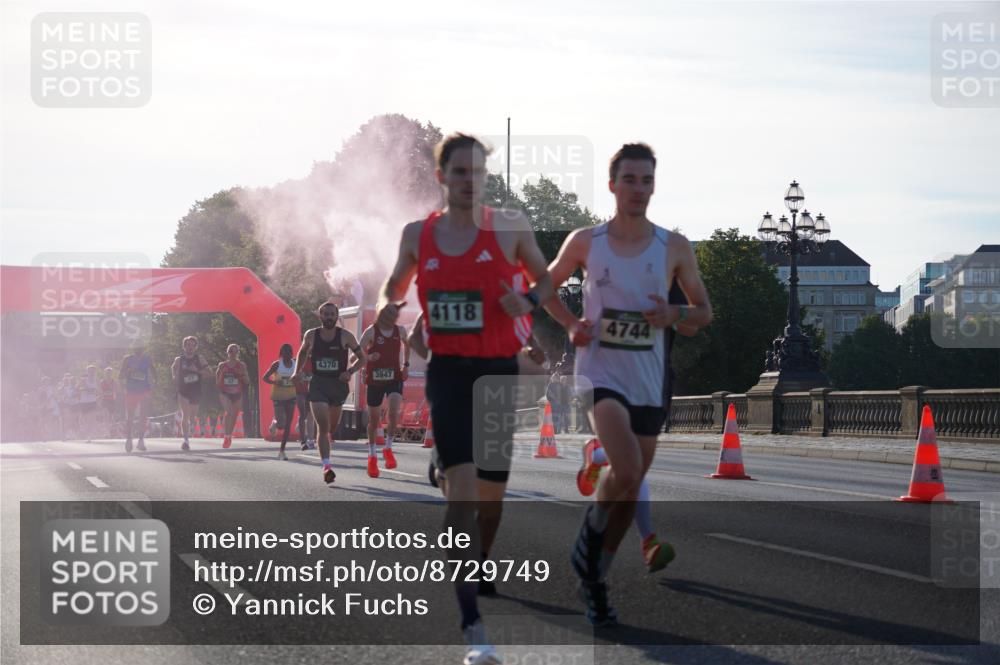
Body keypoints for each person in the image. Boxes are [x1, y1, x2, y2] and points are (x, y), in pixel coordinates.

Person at [379, 132, 553, 665]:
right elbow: (393, 287)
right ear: (442, 176)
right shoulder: (417, 235)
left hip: (499, 373)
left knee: (492, 500)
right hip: (450, 374)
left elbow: (546, 283)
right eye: (460, 171)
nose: (470, 179)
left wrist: (522, 297)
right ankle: (473, 626)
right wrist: (392, 306)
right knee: (462, 497)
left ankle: (483, 560)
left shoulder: (511, 227)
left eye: (478, 171)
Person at [543, 143, 712, 626]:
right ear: (613, 184)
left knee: (631, 480)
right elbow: (544, 287)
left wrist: (675, 313)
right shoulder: (585, 241)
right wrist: (571, 324)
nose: (639, 189)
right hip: (600, 373)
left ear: (653, 186)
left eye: (647, 181)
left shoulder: (673, 246)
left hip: (650, 379)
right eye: (630, 180)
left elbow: (704, 312)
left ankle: (595, 574)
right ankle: (591, 534)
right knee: (627, 463)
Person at [292, 301, 366, 485]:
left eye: (332, 314)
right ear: (320, 315)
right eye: (326, 314)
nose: (329, 317)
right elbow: (302, 353)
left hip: (338, 386)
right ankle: (326, 467)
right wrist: (297, 371)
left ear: (337, 316)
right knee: (323, 427)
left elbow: (362, 358)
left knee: (331, 428)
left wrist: (349, 372)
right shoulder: (311, 335)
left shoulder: (345, 336)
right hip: (318, 384)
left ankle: (326, 446)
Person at [356, 314, 410, 477]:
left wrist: (405, 365)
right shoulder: (370, 332)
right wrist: (368, 358)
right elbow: (356, 354)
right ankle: (372, 456)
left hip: (394, 377)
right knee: (374, 419)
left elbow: (408, 345)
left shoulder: (400, 330)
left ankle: (388, 447)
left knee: (394, 411)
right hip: (374, 380)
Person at [171, 336, 212, 451]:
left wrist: (197, 371)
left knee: (192, 416)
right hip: (183, 390)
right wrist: (174, 377)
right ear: (184, 347)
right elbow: (173, 368)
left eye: (192, 345)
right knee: (185, 414)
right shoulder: (179, 359)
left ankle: (192, 424)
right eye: (187, 345)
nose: (189, 347)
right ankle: (186, 440)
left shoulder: (200, 358)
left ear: (195, 347)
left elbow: (209, 373)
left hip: (195, 390)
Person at [263, 343, 298, 460]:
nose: (287, 354)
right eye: (285, 352)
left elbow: (301, 375)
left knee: (288, 424)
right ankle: (275, 422)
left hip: (292, 396)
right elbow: (265, 377)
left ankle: (282, 451)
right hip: (278, 396)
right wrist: (275, 382)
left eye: (289, 351)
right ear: (281, 354)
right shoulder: (277, 364)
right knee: (281, 425)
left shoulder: (295, 363)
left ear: (292, 353)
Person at [120, 344, 154, 453]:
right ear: (133, 349)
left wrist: (154, 384)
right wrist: (129, 370)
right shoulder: (127, 359)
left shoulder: (147, 358)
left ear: (143, 349)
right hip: (131, 390)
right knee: (130, 416)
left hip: (144, 390)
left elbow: (153, 372)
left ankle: (141, 440)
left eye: (141, 348)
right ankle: (129, 439)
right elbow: (120, 376)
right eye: (136, 348)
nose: (138, 350)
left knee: (143, 416)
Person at [216, 344, 250, 449]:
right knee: (229, 411)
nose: (233, 354)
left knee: (234, 415)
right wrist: (222, 374)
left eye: (235, 351)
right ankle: (226, 436)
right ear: (227, 352)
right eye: (231, 351)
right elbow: (217, 383)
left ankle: (228, 436)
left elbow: (247, 381)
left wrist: (240, 374)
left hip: (237, 392)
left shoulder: (241, 365)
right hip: (224, 392)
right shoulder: (222, 365)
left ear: (237, 353)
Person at [293, 358, 316, 451]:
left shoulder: (315, 360)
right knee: (303, 414)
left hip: (311, 391)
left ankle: (310, 440)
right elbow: (293, 376)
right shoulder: (297, 360)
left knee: (310, 415)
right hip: (300, 391)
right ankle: (303, 440)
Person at [78, 365, 100, 441]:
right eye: (90, 371)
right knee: (86, 420)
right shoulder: (83, 380)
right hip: (84, 402)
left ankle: (89, 435)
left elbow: (99, 391)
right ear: (87, 372)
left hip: (92, 401)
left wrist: (98, 398)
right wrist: (84, 389)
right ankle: (85, 433)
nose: (91, 373)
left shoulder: (97, 380)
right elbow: (77, 388)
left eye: (93, 371)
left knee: (92, 419)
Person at [98, 367, 118, 437]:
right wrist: (108, 393)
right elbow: (100, 392)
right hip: (104, 400)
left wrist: (110, 393)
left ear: (111, 373)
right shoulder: (102, 382)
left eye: (109, 372)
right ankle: (106, 432)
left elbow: (115, 391)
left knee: (112, 417)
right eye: (107, 372)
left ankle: (113, 431)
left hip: (111, 400)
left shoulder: (114, 381)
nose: (108, 374)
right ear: (105, 373)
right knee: (105, 416)